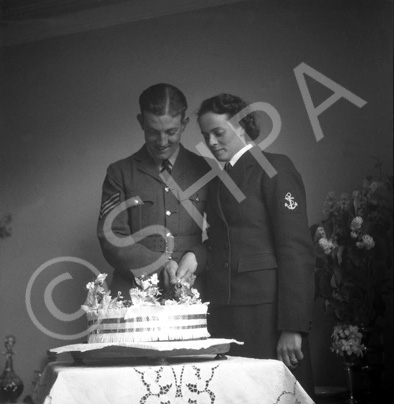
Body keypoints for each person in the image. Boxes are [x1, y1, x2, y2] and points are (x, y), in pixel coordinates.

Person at [176, 93, 316, 397]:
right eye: (205, 135)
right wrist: (193, 256)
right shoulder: (219, 181)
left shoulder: (274, 168)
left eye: (218, 132)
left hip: (266, 315)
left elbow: (296, 250)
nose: (211, 142)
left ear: (241, 127)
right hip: (225, 312)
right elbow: (217, 241)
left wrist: (293, 326)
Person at [97, 83, 210, 297]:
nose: (162, 142)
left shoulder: (205, 170)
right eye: (153, 132)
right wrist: (159, 266)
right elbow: (111, 236)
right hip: (134, 296)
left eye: (171, 132)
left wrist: (197, 257)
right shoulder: (119, 173)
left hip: (192, 294)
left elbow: (224, 234)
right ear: (141, 122)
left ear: (184, 124)